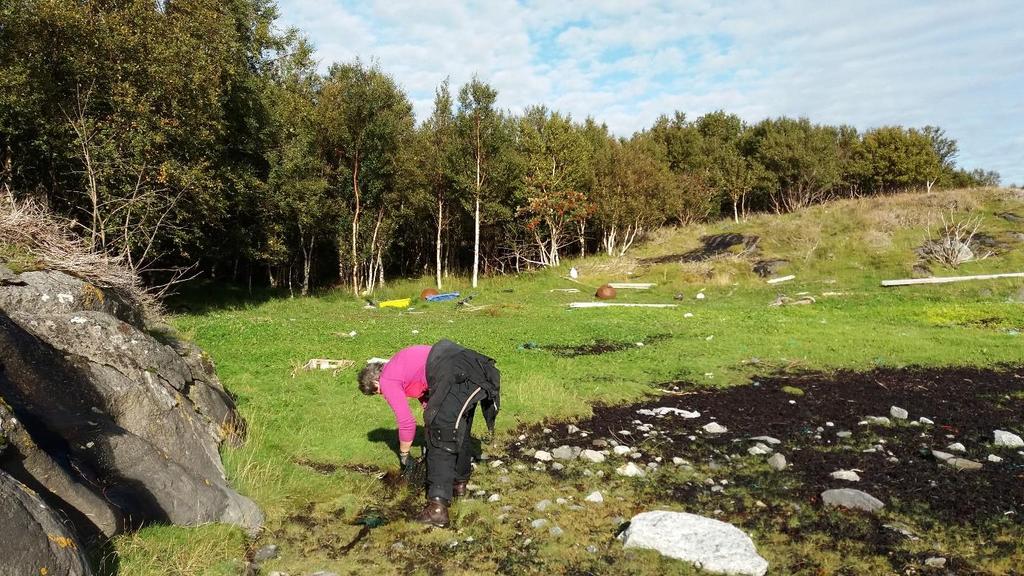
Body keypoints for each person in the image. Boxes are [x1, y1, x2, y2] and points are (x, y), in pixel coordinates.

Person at [358, 339, 500, 527]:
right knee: (459, 428)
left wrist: (404, 455)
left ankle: (437, 509)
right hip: (472, 366)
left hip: (452, 371)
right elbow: (429, 399)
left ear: (376, 381)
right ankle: (458, 484)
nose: (383, 395)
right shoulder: (401, 364)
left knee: (440, 435)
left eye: (378, 392)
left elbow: (407, 422)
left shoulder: (388, 379)